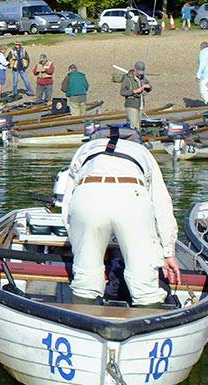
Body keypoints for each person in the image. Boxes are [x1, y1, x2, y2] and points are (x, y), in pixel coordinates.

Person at [60, 127, 180, 307]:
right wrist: (168, 252)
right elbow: (162, 205)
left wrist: (78, 240)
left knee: (86, 278)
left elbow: (67, 203)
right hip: (131, 196)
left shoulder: (84, 150)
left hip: (88, 194)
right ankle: (149, 322)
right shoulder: (142, 152)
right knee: (143, 280)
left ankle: (83, 320)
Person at [120, 60, 151, 130]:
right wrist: (134, 91)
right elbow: (122, 92)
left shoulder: (143, 78)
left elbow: (150, 87)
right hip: (131, 105)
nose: (140, 74)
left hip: (140, 105)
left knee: (138, 125)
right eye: (139, 72)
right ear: (135, 70)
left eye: (142, 72)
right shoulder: (127, 78)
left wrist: (148, 87)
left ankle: (137, 138)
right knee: (134, 126)